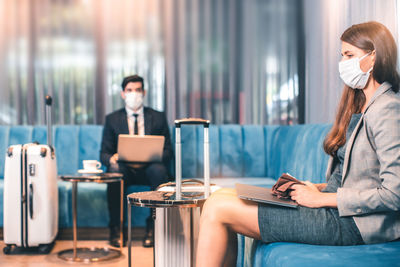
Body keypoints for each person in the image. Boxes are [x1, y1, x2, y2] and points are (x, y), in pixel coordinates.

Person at [196, 21, 400, 266]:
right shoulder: (363, 106)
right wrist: (316, 187)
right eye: (342, 55)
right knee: (219, 197)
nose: (343, 63)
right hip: (337, 210)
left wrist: (321, 200)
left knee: (219, 209)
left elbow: (394, 194)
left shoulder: (388, 110)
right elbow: (357, 178)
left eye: (349, 55)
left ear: (373, 57)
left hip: (354, 224)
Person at [100, 74, 173, 248]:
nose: (134, 94)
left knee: (160, 171)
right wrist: (112, 158)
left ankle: (154, 227)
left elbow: (169, 151)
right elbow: (103, 153)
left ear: (144, 92)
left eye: (138, 90)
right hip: (125, 170)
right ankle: (117, 228)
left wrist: (155, 154)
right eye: (130, 90)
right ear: (123, 94)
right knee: (115, 173)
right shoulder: (112, 119)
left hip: (150, 169)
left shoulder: (158, 117)